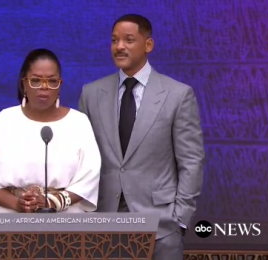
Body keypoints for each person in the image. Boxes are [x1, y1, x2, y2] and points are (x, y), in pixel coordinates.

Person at [78, 14, 205, 260]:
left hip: (161, 225)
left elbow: (191, 160)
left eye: (128, 40)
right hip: (104, 222)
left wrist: (180, 218)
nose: (119, 46)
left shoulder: (178, 94)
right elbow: (83, 158)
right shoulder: (91, 94)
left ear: (148, 45)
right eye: (114, 40)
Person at [0, 48, 101, 214]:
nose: (44, 87)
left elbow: (89, 178)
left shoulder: (79, 123)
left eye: (52, 81)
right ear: (24, 83)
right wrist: (17, 203)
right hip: (11, 218)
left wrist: (52, 202)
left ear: (60, 85)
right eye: (35, 81)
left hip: (66, 221)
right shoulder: (3, 121)